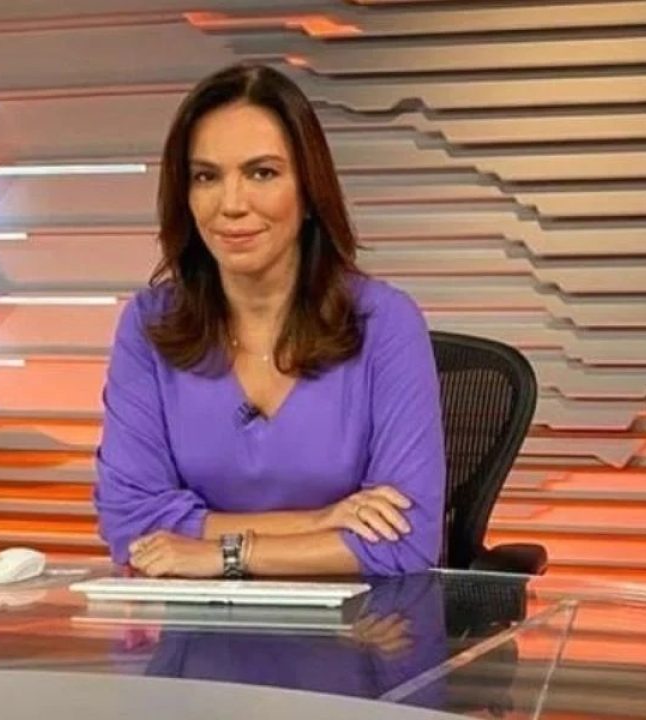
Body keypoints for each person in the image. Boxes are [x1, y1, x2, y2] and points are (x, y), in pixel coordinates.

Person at [93, 62, 445, 578]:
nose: (232, 204)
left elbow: (406, 543)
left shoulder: (385, 323)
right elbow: (131, 524)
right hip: (192, 622)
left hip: (359, 624)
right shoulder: (149, 325)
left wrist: (224, 554)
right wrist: (319, 522)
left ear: (309, 192)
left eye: (263, 173)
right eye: (206, 176)